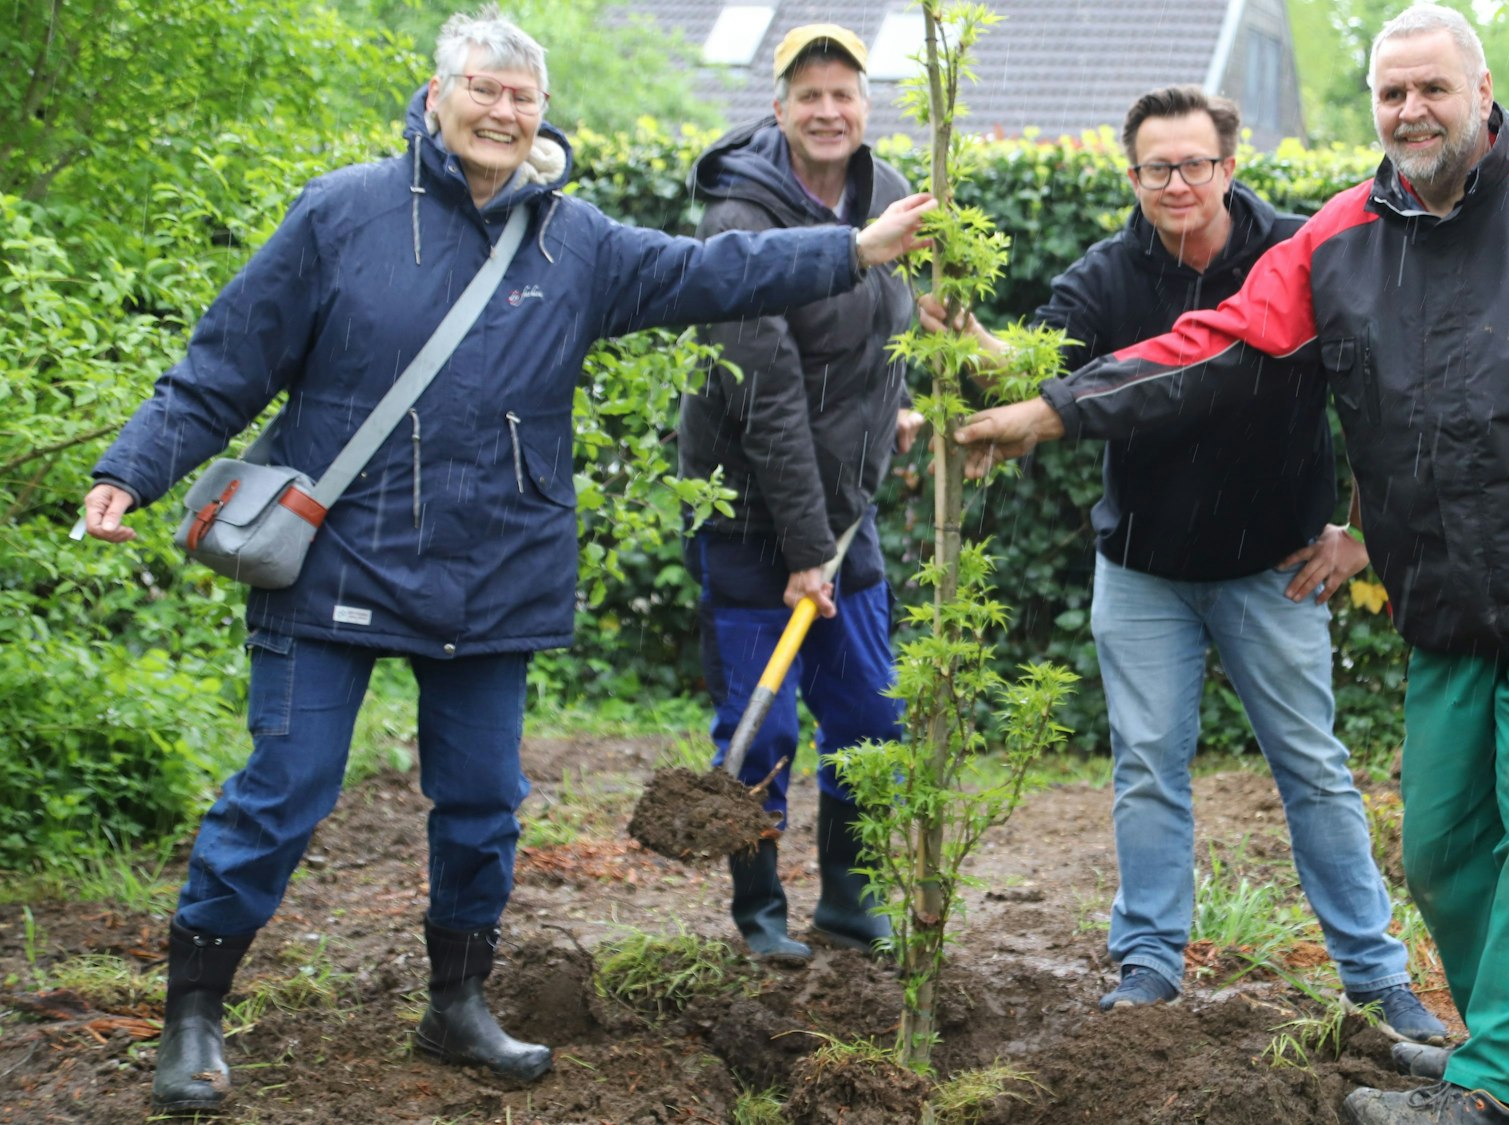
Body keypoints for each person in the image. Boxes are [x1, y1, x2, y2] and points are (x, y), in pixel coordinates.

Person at [79, 8, 932, 1114]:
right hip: (336, 563)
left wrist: (850, 249)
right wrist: (132, 468)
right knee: (285, 790)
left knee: (482, 803)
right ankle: (193, 1016)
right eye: (483, 89)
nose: (503, 111)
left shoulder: (575, 243)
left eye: (523, 97)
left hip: (497, 572)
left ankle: (459, 1004)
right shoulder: (342, 214)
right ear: (437, 96)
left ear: (541, 113)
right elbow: (223, 362)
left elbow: (711, 269)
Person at [953, 6, 1509, 1122]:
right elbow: (1214, 343)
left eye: (1430, 88)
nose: (1409, 111)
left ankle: (1498, 1091)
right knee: (1442, 856)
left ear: (1481, 88)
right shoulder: (1335, 241)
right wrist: (1055, 409)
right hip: (1446, 597)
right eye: (1389, 93)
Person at [918, 86, 1445, 1041]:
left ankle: (1375, 978)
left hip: (1271, 569)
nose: (1176, 182)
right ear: (1133, 175)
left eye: (1194, 163)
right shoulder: (1107, 275)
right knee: (1148, 767)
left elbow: (1374, 398)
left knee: (1314, 770)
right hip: (1145, 572)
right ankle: (1150, 961)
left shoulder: (1298, 254)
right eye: (1156, 166)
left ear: (1229, 166)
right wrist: (972, 345)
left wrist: (1361, 530)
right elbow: (1050, 375)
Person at [677, 24, 924, 965]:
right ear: (778, 110)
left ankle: (852, 905)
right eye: (808, 95)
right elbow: (766, 398)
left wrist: (895, 407)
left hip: (843, 510)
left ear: (865, 106)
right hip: (748, 514)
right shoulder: (739, 225)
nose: (828, 111)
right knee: (766, 724)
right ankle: (762, 914)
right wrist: (801, 551)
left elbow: (884, 331)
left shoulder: (891, 196)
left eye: (844, 93)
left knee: (867, 712)